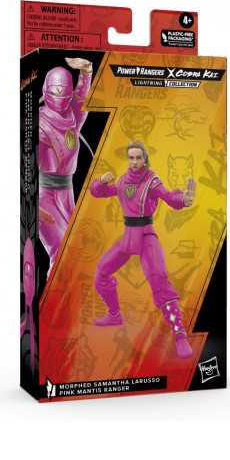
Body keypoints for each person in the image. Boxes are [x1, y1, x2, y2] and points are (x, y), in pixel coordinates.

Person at [90, 141, 196, 359]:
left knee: (159, 279)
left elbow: (169, 197)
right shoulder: (123, 180)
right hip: (128, 236)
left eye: (138, 157)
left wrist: (183, 199)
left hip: (146, 235)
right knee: (102, 271)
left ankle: (180, 334)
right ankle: (114, 315)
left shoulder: (152, 181)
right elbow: (99, 192)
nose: (135, 161)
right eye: (131, 157)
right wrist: (100, 182)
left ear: (145, 159)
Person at [39, 57, 92, 274]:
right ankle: (52, 296)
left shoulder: (73, 117)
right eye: (55, 92)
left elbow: (82, 98)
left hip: (66, 192)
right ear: (46, 91)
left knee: (76, 248)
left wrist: (86, 71)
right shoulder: (39, 123)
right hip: (42, 195)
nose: (59, 98)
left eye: (64, 93)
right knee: (60, 249)